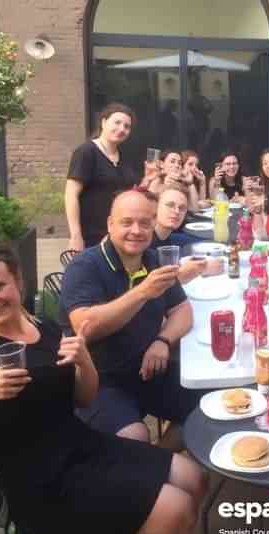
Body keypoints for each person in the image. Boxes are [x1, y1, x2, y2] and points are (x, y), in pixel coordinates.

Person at [0, 240, 206, 534]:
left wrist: (84, 362)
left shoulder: (42, 327)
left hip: (84, 447)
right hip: (42, 482)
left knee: (193, 478)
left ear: (18, 281)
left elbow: (83, 399)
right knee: (174, 510)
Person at [59, 189, 199, 444]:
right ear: (110, 224)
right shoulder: (84, 267)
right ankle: (149, 467)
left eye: (145, 223)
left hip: (147, 370)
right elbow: (86, 326)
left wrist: (163, 341)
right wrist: (143, 292)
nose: (136, 230)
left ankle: (158, 460)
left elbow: (182, 310)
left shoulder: (153, 259)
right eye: (127, 222)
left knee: (205, 406)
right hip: (98, 380)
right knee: (134, 436)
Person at [65, 102, 136, 251]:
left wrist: (149, 178)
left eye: (126, 126)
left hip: (118, 234)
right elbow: (70, 195)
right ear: (104, 122)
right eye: (117, 122)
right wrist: (76, 235)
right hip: (92, 237)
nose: (122, 129)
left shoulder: (125, 156)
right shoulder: (86, 152)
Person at [152, 183, 222, 283]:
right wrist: (200, 269)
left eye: (182, 208)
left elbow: (206, 243)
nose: (176, 211)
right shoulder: (144, 241)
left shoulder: (169, 237)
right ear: (155, 206)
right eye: (170, 205)